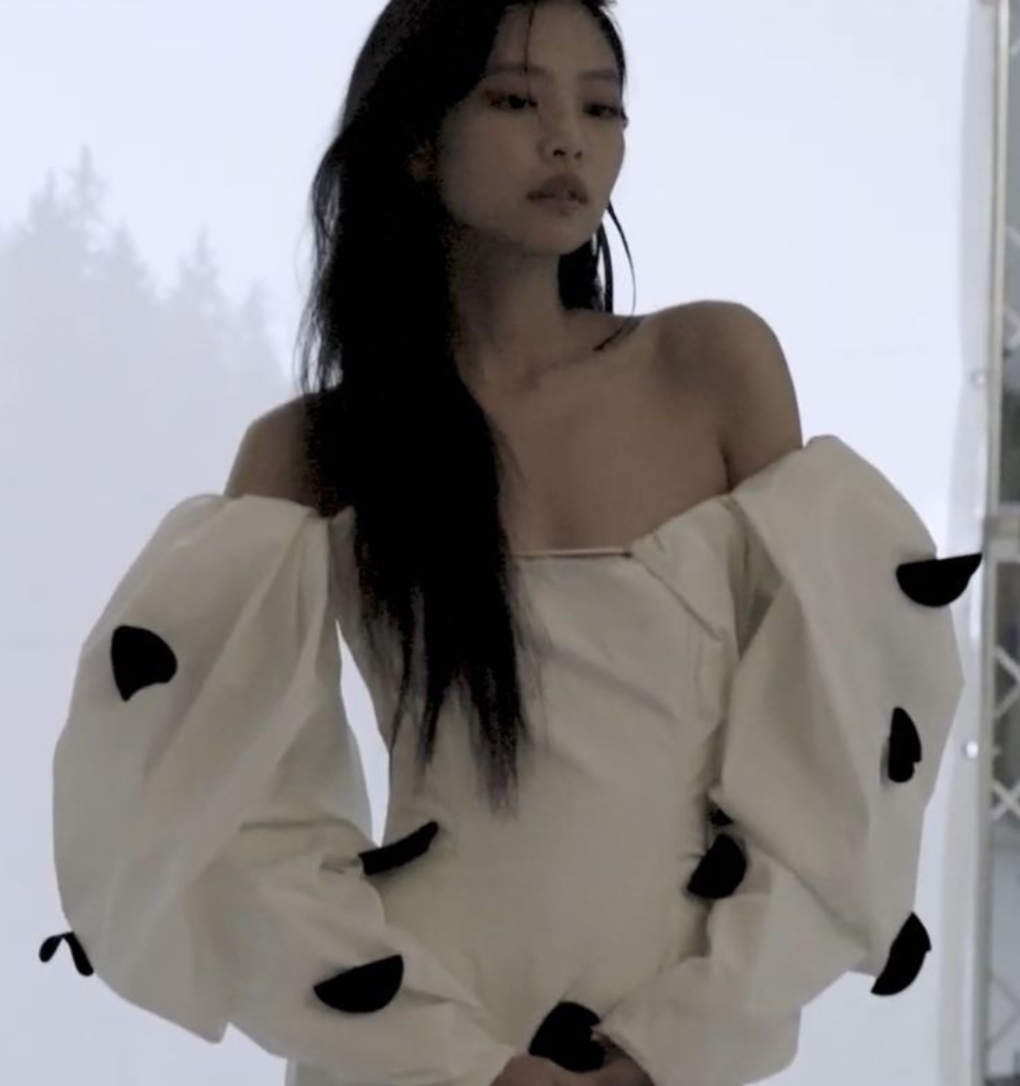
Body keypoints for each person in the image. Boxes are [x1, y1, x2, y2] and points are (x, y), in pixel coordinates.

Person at [42, 2, 982, 1086]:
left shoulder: (712, 366)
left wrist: (675, 1043)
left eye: (602, 108)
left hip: (677, 1038)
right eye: (515, 99)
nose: (568, 139)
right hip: (417, 1047)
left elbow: (838, 736)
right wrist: (463, 1065)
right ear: (416, 141)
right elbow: (229, 811)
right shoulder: (314, 451)